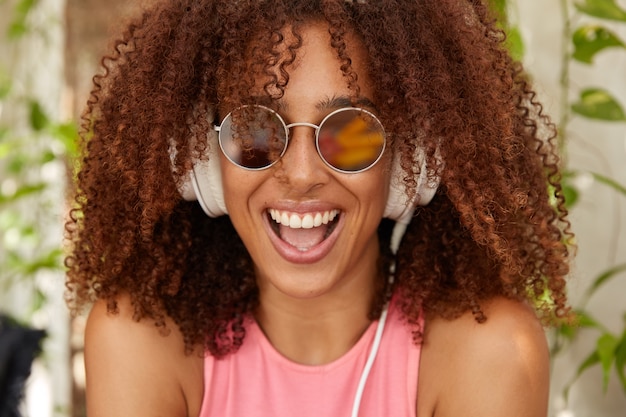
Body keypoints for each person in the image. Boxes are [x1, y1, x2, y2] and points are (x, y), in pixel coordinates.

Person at [64, 0, 573, 416]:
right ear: (198, 157)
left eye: (351, 131)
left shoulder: (491, 354)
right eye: (255, 129)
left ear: (410, 162)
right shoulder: (138, 344)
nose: (303, 174)